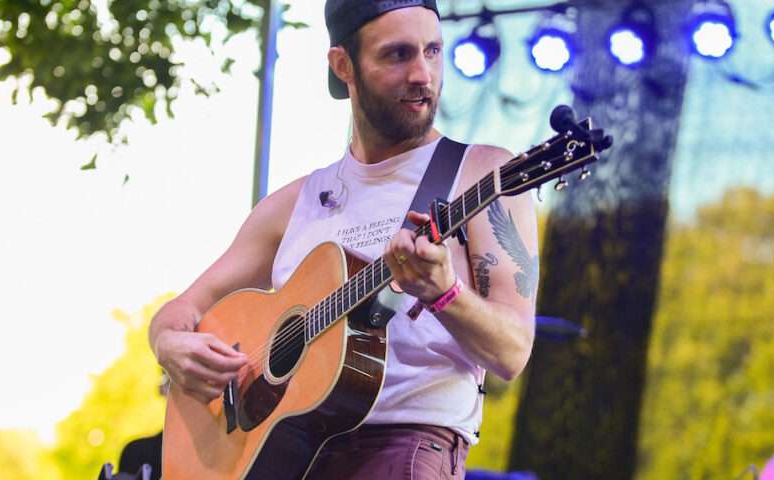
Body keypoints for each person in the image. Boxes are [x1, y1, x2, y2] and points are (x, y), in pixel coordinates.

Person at [148, 0, 538, 478]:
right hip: (282, 454)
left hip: (403, 450)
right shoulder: (294, 204)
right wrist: (168, 343)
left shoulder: (482, 175)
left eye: (433, 51)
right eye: (398, 54)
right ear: (342, 65)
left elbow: (512, 352)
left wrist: (445, 292)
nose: (423, 75)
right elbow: (183, 307)